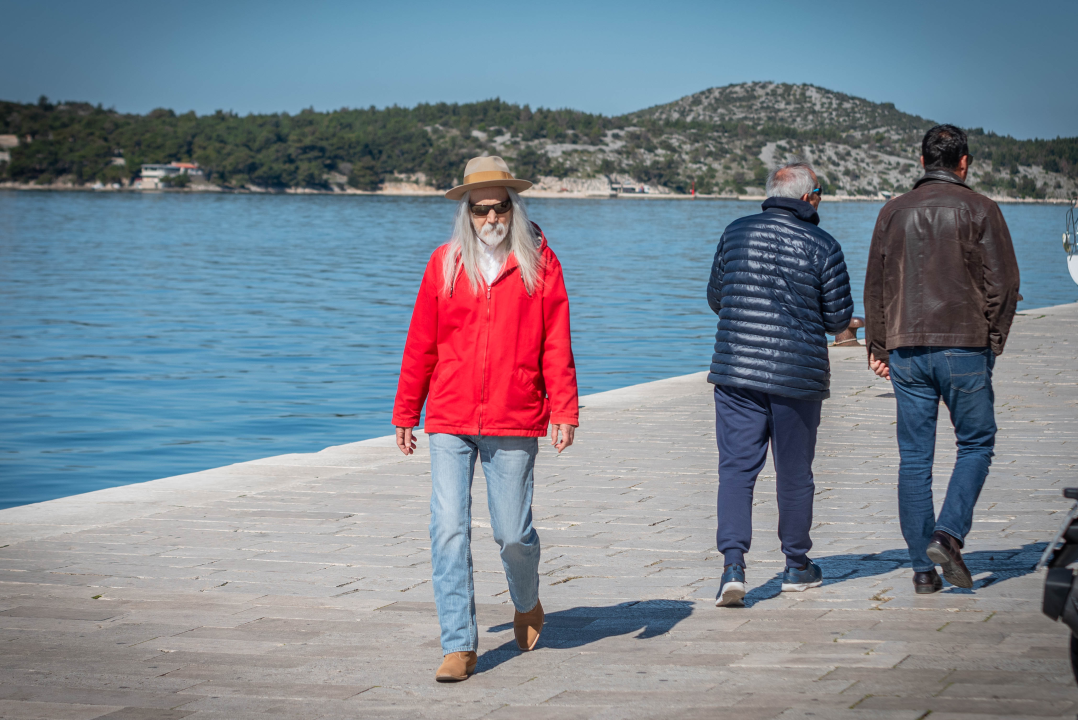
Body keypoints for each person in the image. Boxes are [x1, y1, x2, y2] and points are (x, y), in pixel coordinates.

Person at [392, 156, 579, 682]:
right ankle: (459, 644)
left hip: (514, 414)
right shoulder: (444, 263)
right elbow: (420, 344)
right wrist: (407, 410)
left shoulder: (541, 264)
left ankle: (527, 601)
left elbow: (556, 342)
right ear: (466, 213)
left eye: (499, 208)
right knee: (447, 528)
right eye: (480, 210)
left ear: (514, 208)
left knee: (512, 533)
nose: (491, 219)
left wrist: (564, 407)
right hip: (449, 415)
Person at [864, 125, 1020, 594]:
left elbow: (876, 285)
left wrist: (877, 345)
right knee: (975, 443)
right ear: (964, 162)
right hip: (964, 345)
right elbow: (1005, 285)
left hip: (907, 348)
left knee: (914, 459)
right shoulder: (981, 209)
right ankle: (948, 536)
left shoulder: (892, 211)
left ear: (922, 160)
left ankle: (922, 572)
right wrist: (992, 339)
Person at [707, 162, 853, 607]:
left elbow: (717, 297)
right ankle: (796, 565)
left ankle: (733, 567)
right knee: (794, 473)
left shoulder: (735, 233)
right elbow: (838, 319)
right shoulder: (823, 244)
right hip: (797, 377)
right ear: (810, 197)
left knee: (736, 469)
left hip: (736, 372)